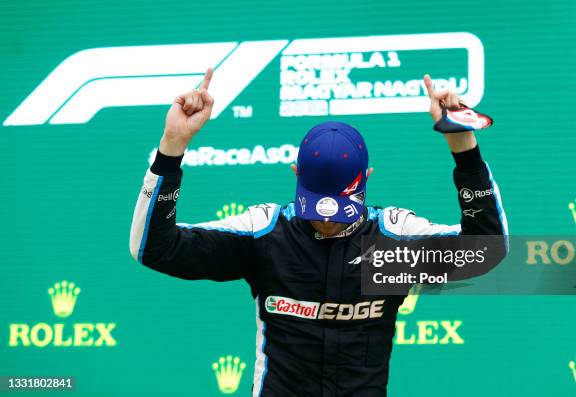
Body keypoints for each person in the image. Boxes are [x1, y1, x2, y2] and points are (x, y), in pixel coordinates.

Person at [129, 68, 508, 397]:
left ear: (368, 182)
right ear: (295, 177)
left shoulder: (391, 240)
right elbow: (154, 248)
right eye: (317, 207)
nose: (327, 220)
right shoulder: (264, 233)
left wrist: (463, 145)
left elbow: (486, 251)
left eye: (341, 210)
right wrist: (172, 146)